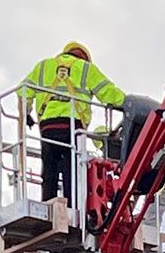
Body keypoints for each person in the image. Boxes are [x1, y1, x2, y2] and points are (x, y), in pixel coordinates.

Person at [20, 42, 126, 205]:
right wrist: (128, 104)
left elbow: (23, 91)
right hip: (72, 125)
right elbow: (109, 93)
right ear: (84, 58)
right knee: (71, 167)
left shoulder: (44, 66)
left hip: (48, 125)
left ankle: (49, 203)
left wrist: (26, 114)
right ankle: (72, 206)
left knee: (49, 166)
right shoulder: (85, 68)